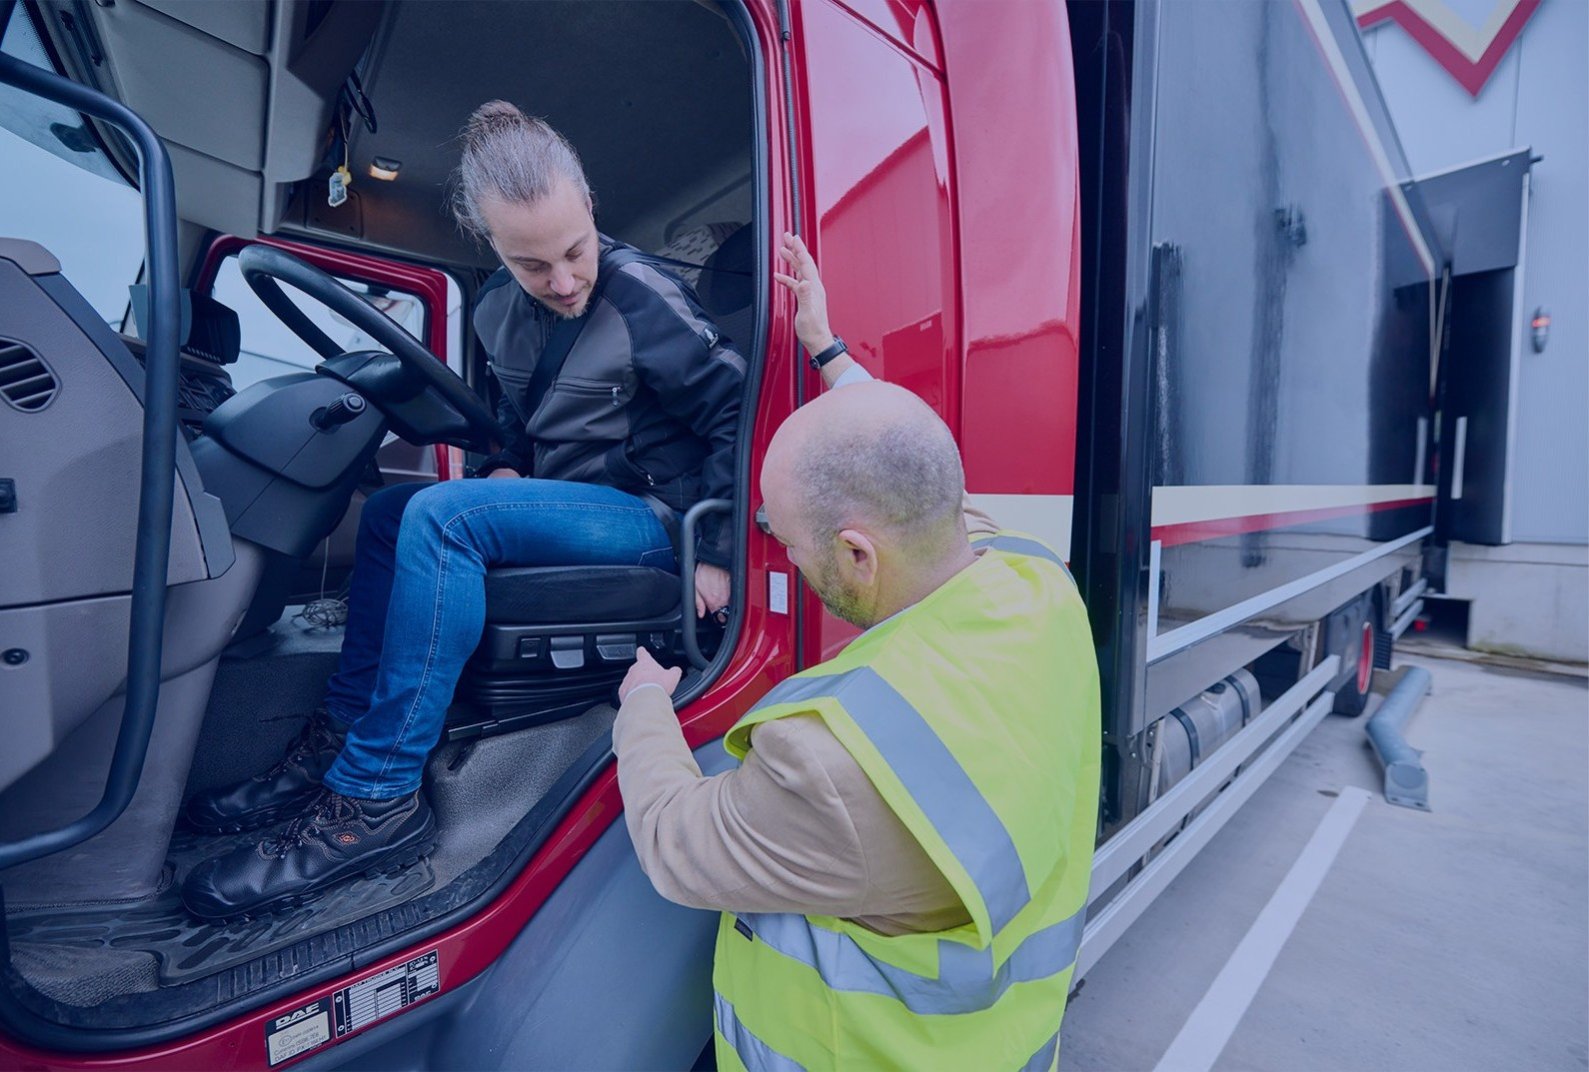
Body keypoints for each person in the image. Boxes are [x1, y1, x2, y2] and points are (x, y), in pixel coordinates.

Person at [180, 102, 745, 920]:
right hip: (563, 503)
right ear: (490, 246)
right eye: (531, 265)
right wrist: (500, 464)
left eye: (574, 252)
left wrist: (719, 547)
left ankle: (375, 797)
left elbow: (735, 413)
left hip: (647, 516)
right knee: (392, 515)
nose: (561, 281)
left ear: (589, 206)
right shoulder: (491, 313)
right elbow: (510, 424)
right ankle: (337, 740)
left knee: (443, 518)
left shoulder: (646, 298)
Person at [612, 232, 1101, 1071]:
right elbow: (907, 468)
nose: (782, 558)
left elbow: (673, 839)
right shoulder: (1034, 580)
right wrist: (828, 353)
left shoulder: (833, 760)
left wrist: (644, 705)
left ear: (856, 555)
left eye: (784, 540)